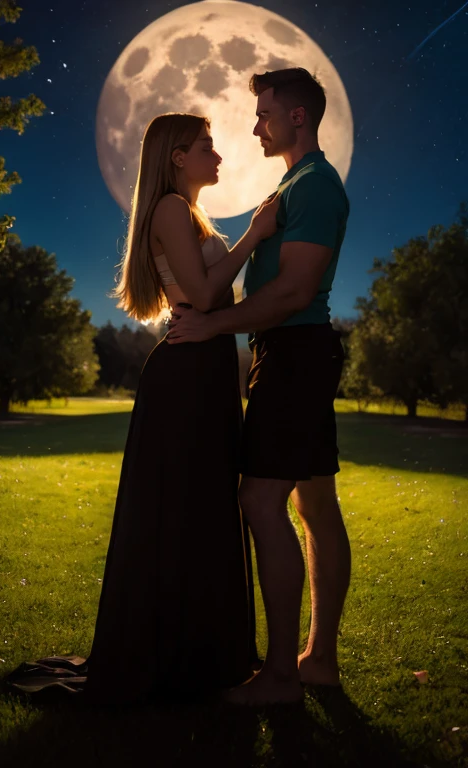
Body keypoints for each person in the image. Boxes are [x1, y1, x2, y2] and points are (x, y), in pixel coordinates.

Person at [5, 113, 280, 706]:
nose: (218, 154)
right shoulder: (169, 211)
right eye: (207, 145)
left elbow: (211, 298)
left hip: (205, 369)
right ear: (177, 157)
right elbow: (205, 296)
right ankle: (178, 653)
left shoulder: (190, 213)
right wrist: (254, 236)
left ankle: (201, 648)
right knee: (184, 506)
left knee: (201, 505)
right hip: (185, 375)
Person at [168, 69, 352, 705]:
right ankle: (318, 662)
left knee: (260, 503)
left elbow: (295, 291)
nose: (255, 127)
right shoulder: (294, 184)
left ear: (297, 117)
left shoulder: (316, 184)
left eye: (265, 115)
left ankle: (280, 677)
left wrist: (213, 323)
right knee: (314, 505)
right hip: (295, 351)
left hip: (296, 354)